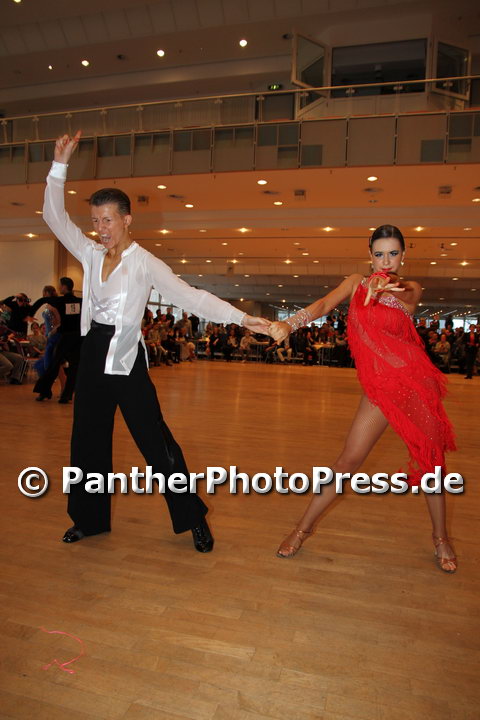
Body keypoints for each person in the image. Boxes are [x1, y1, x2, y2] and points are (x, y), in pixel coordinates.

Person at [43, 130, 269, 552]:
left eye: (108, 220)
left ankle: (193, 517)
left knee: (156, 444)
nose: (100, 229)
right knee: (86, 442)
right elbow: (54, 217)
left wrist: (242, 318)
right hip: (93, 354)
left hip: (126, 360)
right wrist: (60, 165)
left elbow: (191, 297)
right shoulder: (91, 254)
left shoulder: (145, 263)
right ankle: (89, 520)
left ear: (127, 219)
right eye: (95, 221)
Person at [269, 225, 457, 573]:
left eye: (393, 254)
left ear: (404, 256)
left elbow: (406, 293)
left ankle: (441, 537)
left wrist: (386, 285)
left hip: (415, 385)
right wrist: (291, 323)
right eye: (379, 254)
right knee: (348, 461)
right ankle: (302, 529)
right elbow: (324, 304)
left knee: (432, 464)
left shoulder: (410, 287)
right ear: (369, 255)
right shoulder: (356, 283)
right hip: (380, 390)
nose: (386, 261)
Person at [30, 277, 83, 403]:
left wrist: (30, 314)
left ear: (64, 287)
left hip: (66, 337)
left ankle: (44, 392)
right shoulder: (80, 301)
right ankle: (66, 396)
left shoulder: (60, 301)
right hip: (78, 338)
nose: (59, 288)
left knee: (54, 364)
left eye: (60, 285)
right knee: (74, 367)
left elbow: (42, 300)